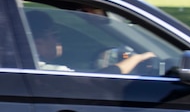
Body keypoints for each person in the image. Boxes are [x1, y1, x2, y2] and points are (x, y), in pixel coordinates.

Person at [27, 10, 155, 74]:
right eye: (55, 35)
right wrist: (137, 58)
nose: (59, 40)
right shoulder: (50, 72)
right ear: (38, 43)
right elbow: (98, 81)